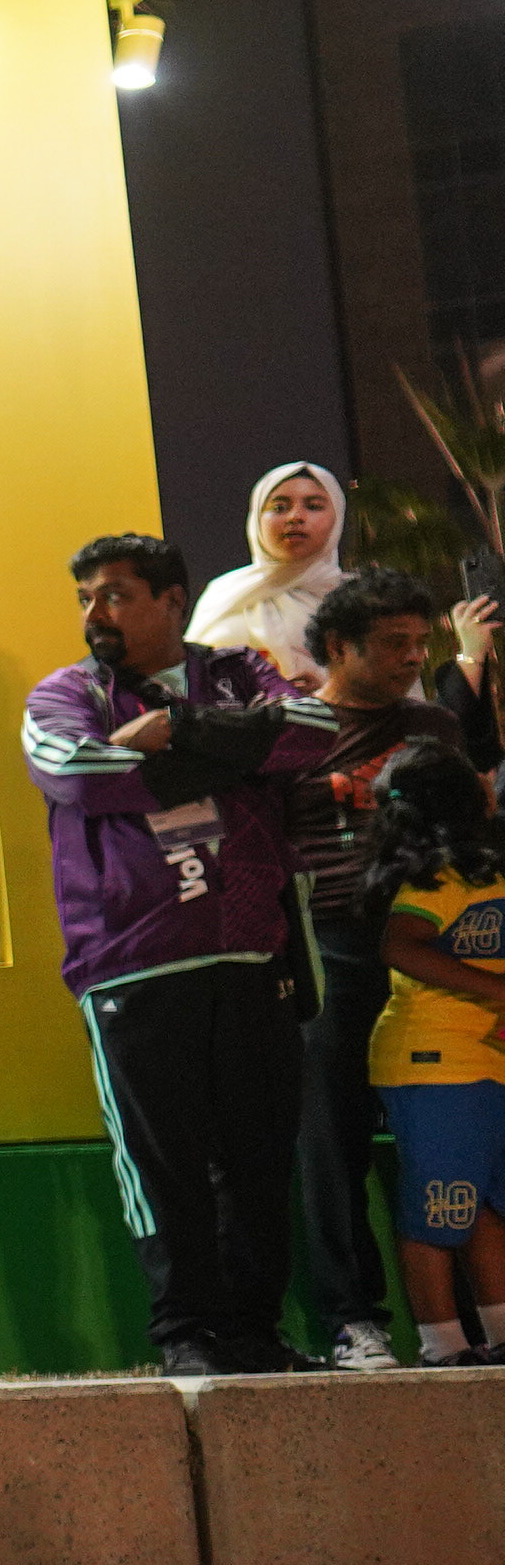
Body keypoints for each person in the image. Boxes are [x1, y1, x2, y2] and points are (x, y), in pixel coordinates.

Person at [28, 534, 332, 1377]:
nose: (95, 614)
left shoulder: (236, 671)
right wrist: (231, 756)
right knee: (163, 1169)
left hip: (250, 960)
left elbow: (311, 731)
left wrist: (176, 729)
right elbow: (82, 774)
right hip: (132, 965)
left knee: (259, 1162)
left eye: (116, 595)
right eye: (86, 598)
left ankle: (254, 1335)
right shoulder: (65, 693)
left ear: (171, 599)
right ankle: (186, 1338)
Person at [275, 571, 486, 1372]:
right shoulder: (290, 731)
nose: (411, 656)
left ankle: (470, 1319)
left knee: (450, 1136)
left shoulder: (433, 724)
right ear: (338, 646)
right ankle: (350, 1320)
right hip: (329, 945)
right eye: (393, 643)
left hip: (433, 945)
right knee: (330, 1141)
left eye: (418, 642)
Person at [357, 749, 504, 1362]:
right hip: (436, 1063)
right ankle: (442, 1345)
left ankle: (498, 1335)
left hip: (480, 1064)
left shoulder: (483, 876)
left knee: (483, 1204)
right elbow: (401, 946)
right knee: (440, 1205)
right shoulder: (436, 883)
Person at [185, 460, 351, 686]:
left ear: (337, 517)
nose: (295, 517)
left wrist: (326, 693)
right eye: (279, 508)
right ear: (256, 519)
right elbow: (192, 684)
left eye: (313, 506)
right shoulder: (224, 593)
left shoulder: (357, 601)